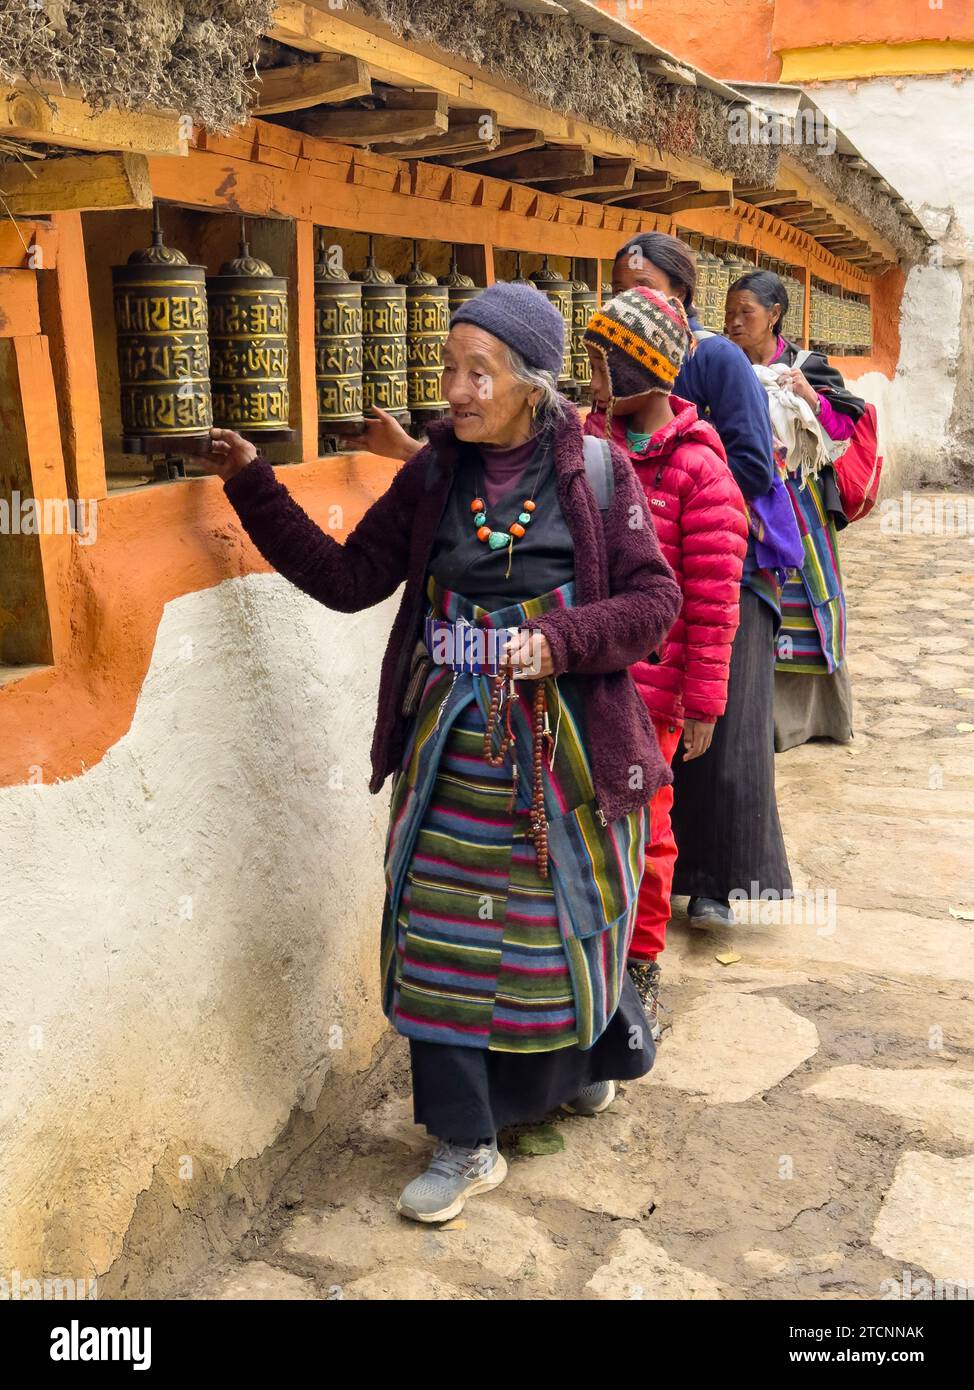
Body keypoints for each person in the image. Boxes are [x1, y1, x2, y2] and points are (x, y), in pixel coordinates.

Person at [203, 283, 681, 1224]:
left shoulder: (596, 473)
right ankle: (465, 1143)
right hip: (452, 743)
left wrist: (561, 642)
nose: (455, 392)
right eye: (450, 368)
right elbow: (350, 580)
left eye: (478, 373)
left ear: (534, 385)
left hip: (566, 749)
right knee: (446, 930)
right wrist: (253, 482)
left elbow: (654, 602)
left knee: (562, 920)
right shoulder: (433, 474)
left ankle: (584, 1062)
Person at [611, 232, 792, 926]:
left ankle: (724, 879)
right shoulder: (617, 365)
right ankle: (668, 877)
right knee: (652, 736)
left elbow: (751, 464)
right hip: (647, 575)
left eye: (646, 285)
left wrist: (682, 501)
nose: (633, 297)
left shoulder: (715, 359)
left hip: (721, 564)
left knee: (723, 730)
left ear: (681, 295)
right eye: (623, 286)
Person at [582, 286, 748, 1033]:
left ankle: (642, 965)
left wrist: (704, 699)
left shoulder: (701, 475)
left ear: (636, 366)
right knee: (584, 827)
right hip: (584, 683)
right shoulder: (588, 447)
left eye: (598, 362)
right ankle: (587, 961)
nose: (589, 378)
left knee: (646, 829)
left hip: (654, 697)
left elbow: (714, 600)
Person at [725, 269, 866, 751]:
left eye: (747, 313)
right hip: (742, 505)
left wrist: (807, 395)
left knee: (806, 600)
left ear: (775, 315)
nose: (736, 323)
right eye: (730, 314)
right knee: (753, 603)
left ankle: (810, 719)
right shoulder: (723, 365)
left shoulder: (808, 365)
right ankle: (754, 718)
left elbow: (844, 429)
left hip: (800, 506)